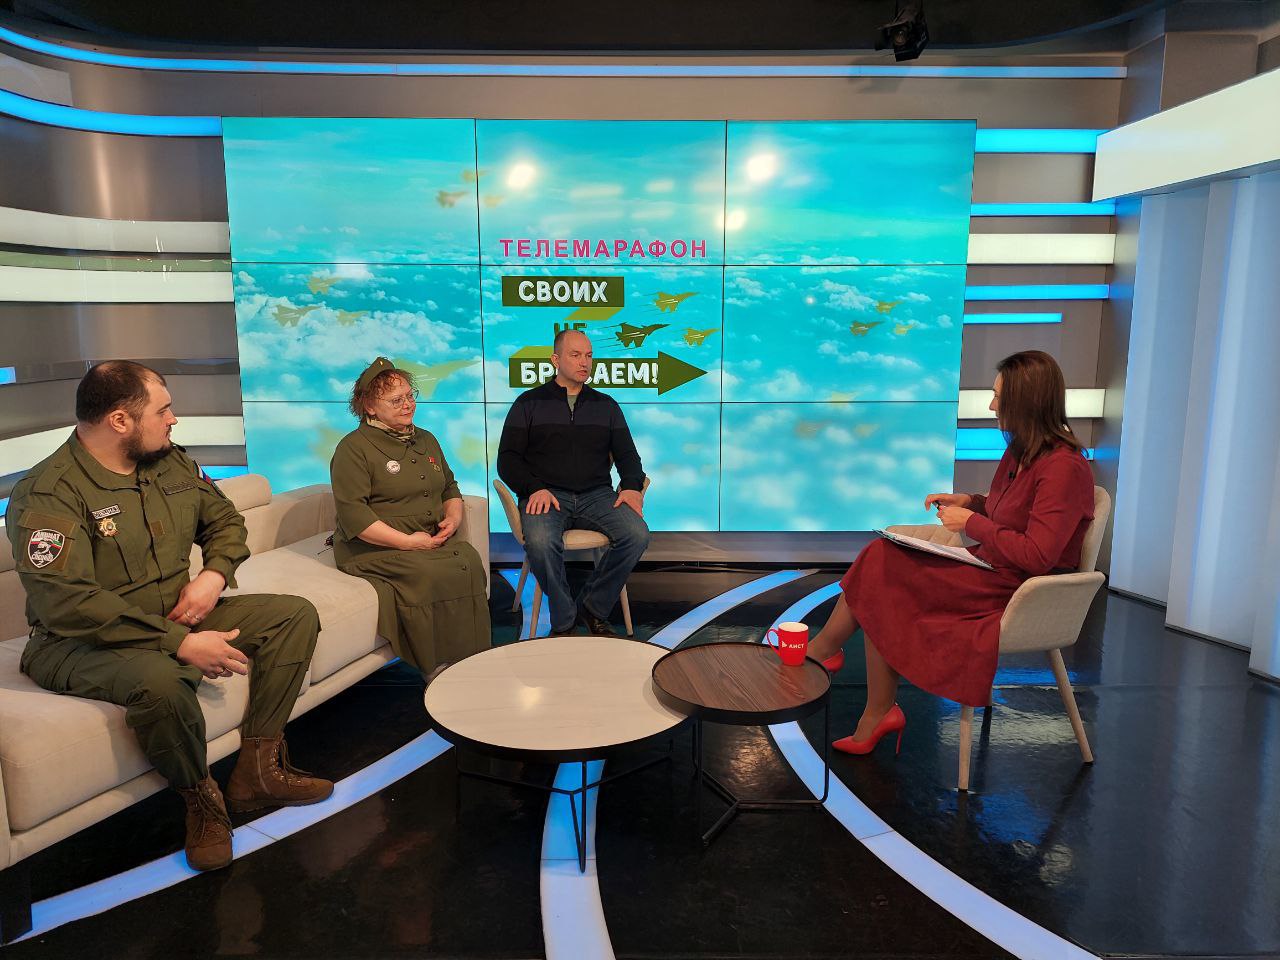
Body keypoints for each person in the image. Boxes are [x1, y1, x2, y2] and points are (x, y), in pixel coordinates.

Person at [6, 361, 333, 873]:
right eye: (163, 410)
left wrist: (213, 577)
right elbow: (66, 602)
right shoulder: (49, 492)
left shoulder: (169, 462)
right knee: (160, 682)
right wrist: (178, 643)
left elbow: (225, 522)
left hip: (175, 614)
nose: (173, 419)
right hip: (78, 642)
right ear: (120, 420)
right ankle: (201, 800)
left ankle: (257, 770)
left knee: (292, 616)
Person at [808, 350, 1096, 755]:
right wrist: (971, 502)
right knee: (881, 561)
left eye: (999, 397)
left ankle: (828, 659)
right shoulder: (1022, 452)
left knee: (882, 572)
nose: (992, 406)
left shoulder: (1064, 467)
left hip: (1019, 589)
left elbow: (1037, 554)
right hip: (991, 567)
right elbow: (1012, 511)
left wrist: (971, 523)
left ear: (1027, 402)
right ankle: (855, 686)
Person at [329, 358, 490, 680]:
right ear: (370, 407)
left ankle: (472, 658)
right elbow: (355, 515)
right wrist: (407, 543)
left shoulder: (426, 438)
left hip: (426, 538)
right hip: (374, 548)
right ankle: (435, 666)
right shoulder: (353, 449)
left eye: (409, 396)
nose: (407, 405)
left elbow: (449, 486)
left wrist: (453, 516)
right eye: (396, 400)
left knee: (468, 560)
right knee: (427, 572)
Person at [497, 329, 650, 636]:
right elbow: (508, 459)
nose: (585, 362)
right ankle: (564, 617)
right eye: (576, 355)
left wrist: (632, 486)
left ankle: (592, 607)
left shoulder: (606, 405)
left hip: (597, 495)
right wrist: (533, 487)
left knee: (637, 534)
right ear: (555, 360)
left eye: (589, 356)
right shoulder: (528, 403)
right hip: (546, 494)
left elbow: (628, 456)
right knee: (540, 542)